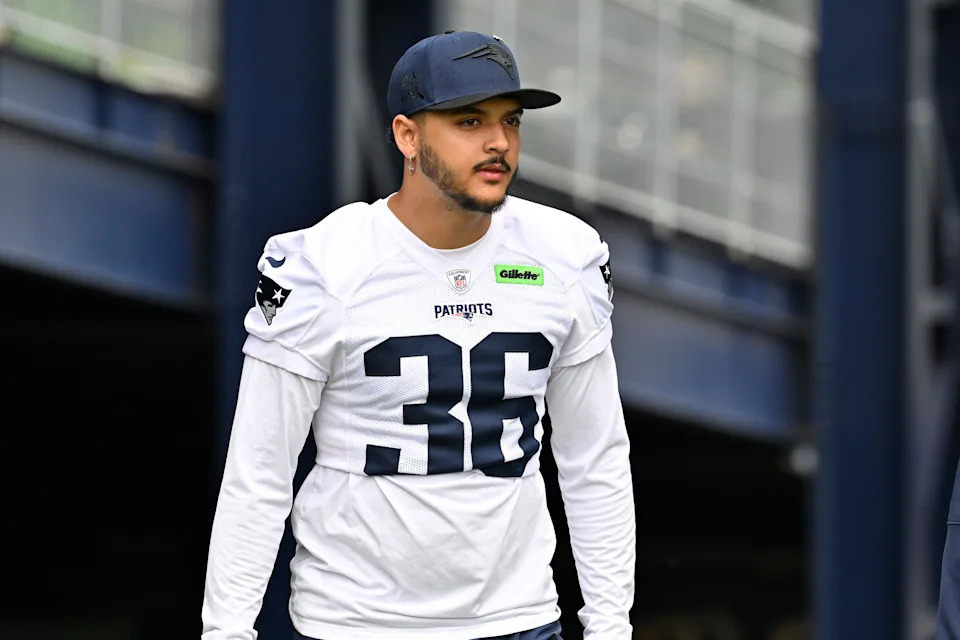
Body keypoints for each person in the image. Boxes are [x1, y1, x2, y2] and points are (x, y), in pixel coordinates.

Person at [201, 30, 635, 640]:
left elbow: (595, 458)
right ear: (408, 135)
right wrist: (226, 631)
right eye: (468, 121)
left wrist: (611, 625)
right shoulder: (323, 264)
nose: (498, 143)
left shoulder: (565, 256)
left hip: (519, 620)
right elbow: (260, 469)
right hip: (355, 623)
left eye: (510, 122)